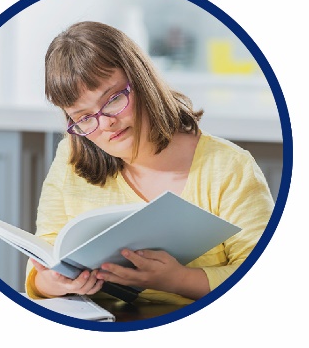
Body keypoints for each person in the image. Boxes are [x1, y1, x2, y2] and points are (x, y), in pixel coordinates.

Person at [25, 21, 274, 306]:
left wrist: (179, 280)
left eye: (114, 99)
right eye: (83, 118)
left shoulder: (229, 167)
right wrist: (50, 282)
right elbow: (43, 257)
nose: (106, 123)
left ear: (142, 82)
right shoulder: (70, 156)